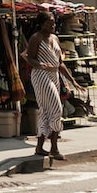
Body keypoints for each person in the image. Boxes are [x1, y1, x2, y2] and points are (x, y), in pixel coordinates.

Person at [29, 12, 67, 161]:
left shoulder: (55, 38)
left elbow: (60, 63)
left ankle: (39, 147)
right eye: (50, 22)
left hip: (54, 75)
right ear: (42, 23)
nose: (53, 25)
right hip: (40, 74)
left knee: (45, 111)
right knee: (57, 109)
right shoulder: (36, 38)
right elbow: (29, 58)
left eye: (54, 22)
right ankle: (54, 148)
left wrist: (72, 81)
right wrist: (40, 64)